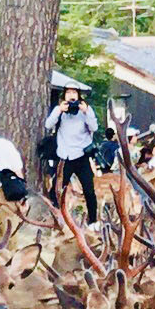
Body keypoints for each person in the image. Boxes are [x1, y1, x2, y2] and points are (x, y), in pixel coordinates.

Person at [45, 88, 99, 224]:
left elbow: (94, 128)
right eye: (68, 93)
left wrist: (86, 111)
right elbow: (48, 125)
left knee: (89, 191)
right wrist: (59, 110)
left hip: (81, 156)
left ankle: (92, 221)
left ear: (79, 96)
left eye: (74, 93)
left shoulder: (86, 111)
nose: (71, 96)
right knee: (56, 190)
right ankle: (55, 218)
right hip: (65, 157)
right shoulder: (60, 111)